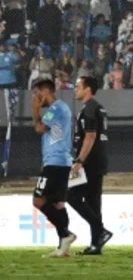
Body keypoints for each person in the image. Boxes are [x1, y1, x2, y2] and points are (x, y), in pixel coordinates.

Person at [31, 79, 78, 257]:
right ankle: (63, 248)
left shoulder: (56, 109)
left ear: (46, 91)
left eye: (37, 93)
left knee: (38, 200)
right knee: (58, 204)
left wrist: (35, 111)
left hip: (54, 163)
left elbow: (40, 128)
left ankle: (66, 235)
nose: (35, 98)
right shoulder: (60, 109)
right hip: (62, 162)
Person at [69, 76, 113, 255]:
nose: (75, 89)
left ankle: (100, 230)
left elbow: (90, 136)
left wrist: (79, 160)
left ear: (87, 89)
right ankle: (96, 244)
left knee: (71, 195)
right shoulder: (98, 108)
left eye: (78, 86)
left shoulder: (89, 109)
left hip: (89, 161)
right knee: (93, 203)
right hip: (98, 160)